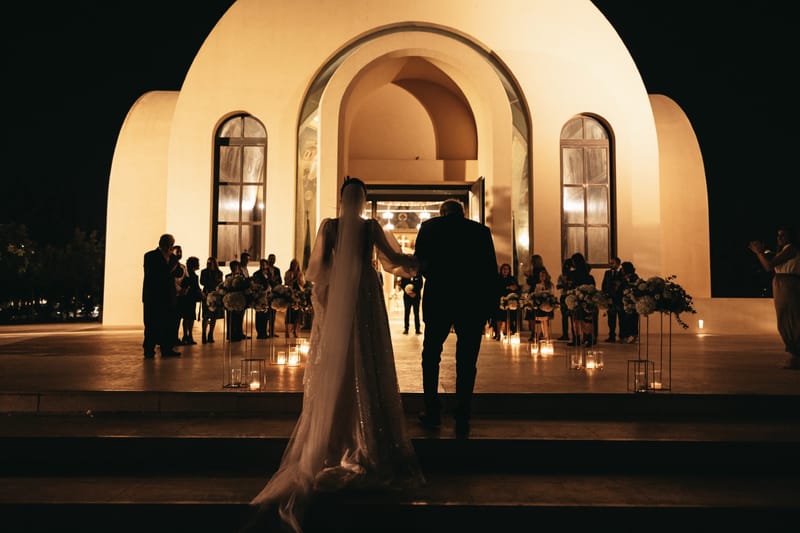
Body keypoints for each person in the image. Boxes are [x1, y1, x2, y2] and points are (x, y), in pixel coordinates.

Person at [249, 177, 424, 532]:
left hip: (344, 294)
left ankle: (337, 433)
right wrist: (418, 262)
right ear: (362, 200)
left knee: (342, 359)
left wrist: (329, 295)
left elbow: (317, 271)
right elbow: (391, 261)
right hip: (364, 294)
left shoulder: (329, 226)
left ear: (342, 199)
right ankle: (364, 435)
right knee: (366, 357)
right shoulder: (370, 227)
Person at [414, 198, 498, 438]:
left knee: (431, 355)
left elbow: (420, 262)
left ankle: (432, 410)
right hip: (470, 301)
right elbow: (489, 270)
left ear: (443, 213)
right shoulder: (480, 231)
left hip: (439, 298)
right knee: (467, 359)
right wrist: (491, 308)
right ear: (462, 213)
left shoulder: (430, 227)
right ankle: (463, 410)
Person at [748, 225, 800, 369]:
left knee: (791, 317)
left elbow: (769, 266)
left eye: (783, 235)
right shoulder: (783, 250)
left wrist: (759, 253)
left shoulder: (791, 248)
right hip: (781, 283)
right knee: (784, 317)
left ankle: (796, 354)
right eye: (778, 235)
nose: (779, 238)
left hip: (788, 284)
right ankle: (794, 353)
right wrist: (763, 252)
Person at [142, 234, 180, 358]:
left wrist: (174, 265)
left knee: (168, 323)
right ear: (163, 244)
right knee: (151, 323)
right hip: (153, 296)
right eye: (169, 244)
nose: (171, 247)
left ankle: (167, 348)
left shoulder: (173, 257)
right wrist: (170, 268)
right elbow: (152, 274)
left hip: (168, 296)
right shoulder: (150, 256)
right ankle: (149, 349)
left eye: (172, 245)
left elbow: (179, 272)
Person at [567, 252, 597, 347]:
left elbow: (571, 285)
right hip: (586, 299)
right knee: (586, 320)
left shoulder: (574, 274)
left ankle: (577, 338)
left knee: (577, 319)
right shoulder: (589, 276)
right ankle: (589, 338)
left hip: (578, 298)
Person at [177, 256, 202, 345]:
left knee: (187, 318)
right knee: (190, 317)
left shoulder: (188, 273)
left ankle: (186, 335)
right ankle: (188, 335)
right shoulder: (191, 275)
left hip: (187, 298)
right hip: (190, 298)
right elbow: (194, 286)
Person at [199, 257, 224, 343]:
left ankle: (211, 334)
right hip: (206, 294)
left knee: (214, 316)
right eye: (208, 263)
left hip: (215, 295)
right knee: (205, 316)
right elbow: (202, 282)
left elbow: (220, 283)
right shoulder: (204, 272)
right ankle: (203, 334)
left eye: (211, 263)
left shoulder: (219, 273)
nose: (209, 265)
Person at [523, 254, 547, 340]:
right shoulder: (542, 269)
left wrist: (528, 276)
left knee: (533, 315)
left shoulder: (536, 271)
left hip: (535, 292)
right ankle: (538, 333)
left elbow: (532, 282)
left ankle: (535, 333)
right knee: (536, 315)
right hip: (538, 292)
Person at [494, 263, 521, 340]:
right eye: (504, 269)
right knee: (499, 317)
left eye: (507, 269)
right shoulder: (498, 278)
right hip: (500, 299)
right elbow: (496, 288)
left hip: (510, 300)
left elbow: (518, 287)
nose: (505, 271)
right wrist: (507, 287)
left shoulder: (512, 279)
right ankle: (498, 333)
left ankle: (507, 332)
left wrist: (515, 288)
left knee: (508, 317)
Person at [601, 256, 623, 342]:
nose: (611, 265)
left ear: (618, 264)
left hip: (619, 299)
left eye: (613, 263)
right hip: (610, 298)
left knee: (621, 318)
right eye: (610, 263)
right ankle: (611, 336)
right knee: (611, 319)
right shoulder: (607, 273)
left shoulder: (621, 273)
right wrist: (605, 295)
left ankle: (622, 335)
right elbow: (604, 284)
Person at [283, 258, 305, 338]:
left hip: (298, 294)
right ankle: (287, 331)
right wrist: (291, 279)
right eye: (293, 264)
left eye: (296, 264)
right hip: (290, 293)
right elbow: (286, 282)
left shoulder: (300, 273)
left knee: (297, 315)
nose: (295, 265)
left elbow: (303, 284)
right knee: (289, 314)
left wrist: (299, 280)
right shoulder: (288, 273)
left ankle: (296, 331)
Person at [619, 260, 640, 344]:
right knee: (626, 319)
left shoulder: (634, 277)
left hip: (632, 302)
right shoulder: (623, 278)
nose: (621, 270)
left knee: (632, 319)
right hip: (625, 301)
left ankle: (633, 335)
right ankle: (627, 335)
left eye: (622, 268)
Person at [533, 269, 556, 341]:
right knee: (541, 320)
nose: (542, 277)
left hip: (547, 304)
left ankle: (546, 335)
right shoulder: (538, 285)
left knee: (546, 320)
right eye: (540, 276)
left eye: (543, 275)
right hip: (540, 304)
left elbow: (552, 293)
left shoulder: (550, 285)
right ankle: (542, 334)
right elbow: (536, 293)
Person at [225, 260, 246, 341]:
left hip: (240, 299)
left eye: (235, 267)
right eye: (232, 267)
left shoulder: (242, 276)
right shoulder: (228, 276)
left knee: (239, 318)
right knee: (230, 318)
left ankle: (238, 334)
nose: (234, 268)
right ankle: (230, 335)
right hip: (230, 299)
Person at [555, 258, 574, 341]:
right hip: (564, 295)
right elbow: (558, 286)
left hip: (571, 296)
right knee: (564, 316)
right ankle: (565, 334)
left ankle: (574, 334)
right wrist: (565, 284)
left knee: (572, 316)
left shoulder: (573, 275)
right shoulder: (561, 276)